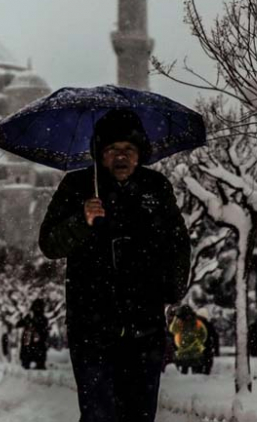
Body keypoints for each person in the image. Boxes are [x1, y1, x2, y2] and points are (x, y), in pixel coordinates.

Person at [39, 109, 191, 422]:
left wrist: (169, 290)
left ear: (140, 154)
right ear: (99, 153)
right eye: (112, 151)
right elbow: (50, 244)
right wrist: (81, 220)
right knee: (99, 412)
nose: (121, 158)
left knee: (139, 412)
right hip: (91, 327)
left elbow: (178, 244)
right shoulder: (78, 185)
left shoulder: (155, 188)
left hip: (144, 326)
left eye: (129, 151)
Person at [168, 305, 207, 374]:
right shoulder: (180, 322)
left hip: (194, 350)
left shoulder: (197, 323)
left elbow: (203, 334)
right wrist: (176, 319)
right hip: (183, 350)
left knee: (195, 371)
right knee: (184, 370)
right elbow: (173, 330)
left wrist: (198, 342)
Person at [17, 298, 50, 370]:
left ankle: (34, 364)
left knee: (31, 353)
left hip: (33, 340)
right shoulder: (35, 317)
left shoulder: (35, 317)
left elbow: (19, 324)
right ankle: (36, 364)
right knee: (35, 354)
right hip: (33, 340)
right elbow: (19, 324)